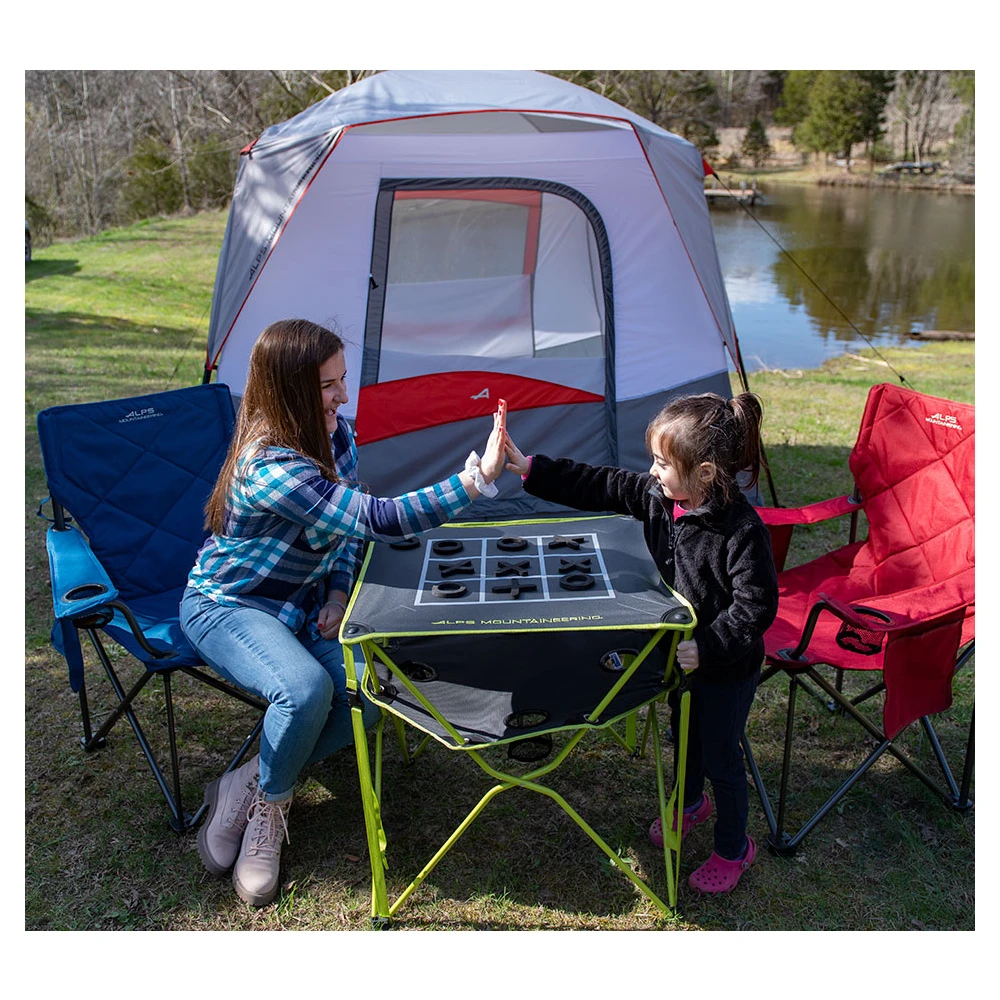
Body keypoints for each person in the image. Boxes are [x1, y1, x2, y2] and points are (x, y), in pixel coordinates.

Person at [180, 318, 507, 907]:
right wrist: (474, 481)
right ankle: (271, 809)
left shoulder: (337, 437)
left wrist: (335, 595)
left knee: (373, 694)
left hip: (302, 606)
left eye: (342, 379)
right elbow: (376, 519)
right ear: (289, 391)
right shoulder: (270, 466)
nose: (343, 396)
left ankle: (245, 782)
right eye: (328, 385)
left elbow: (344, 538)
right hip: (229, 605)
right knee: (304, 690)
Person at [503, 391, 777, 894]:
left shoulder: (741, 531)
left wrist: (709, 647)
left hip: (725, 668)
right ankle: (690, 803)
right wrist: (533, 469)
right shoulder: (659, 497)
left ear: (705, 473)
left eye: (662, 463)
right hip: (681, 659)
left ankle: (734, 848)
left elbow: (755, 608)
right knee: (684, 737)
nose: (652, 471)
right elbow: (600, 483)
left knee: (721, 756)